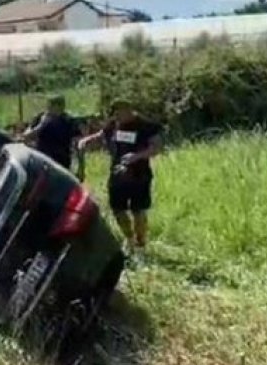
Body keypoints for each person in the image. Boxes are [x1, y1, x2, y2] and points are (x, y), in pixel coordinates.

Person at [78, 106, 163, 258]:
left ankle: (141, 245)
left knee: (138, 211)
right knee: (117, 210)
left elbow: (156, 147)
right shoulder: (113, 125)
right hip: (117, 175)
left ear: (131, 110)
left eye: (121, 111)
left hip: (139, 175)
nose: (118, 114)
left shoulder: (146, 126)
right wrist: (86, 141)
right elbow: (101, 135)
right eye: (116, 111)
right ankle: (129, 239)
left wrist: (136, 156)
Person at [21, 95, 84, 177]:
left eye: (51, 106)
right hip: (42, 162)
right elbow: (26, 136)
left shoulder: (69, 121)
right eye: (48, 106)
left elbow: (78, 145)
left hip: (61, 164)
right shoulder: (41, 118)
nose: (48, 109)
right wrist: (41, 125)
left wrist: (81, 168)